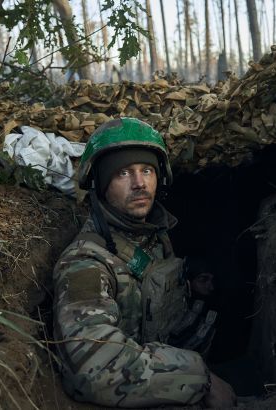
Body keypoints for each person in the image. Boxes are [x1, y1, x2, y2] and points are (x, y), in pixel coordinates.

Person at [52, 117, 236, 408]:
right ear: (101, 184)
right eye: (123, 173)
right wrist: (203, 379)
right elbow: (95, 368)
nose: (139, 184)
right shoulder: (86, 263)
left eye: (147, 170)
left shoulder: (152, 237)